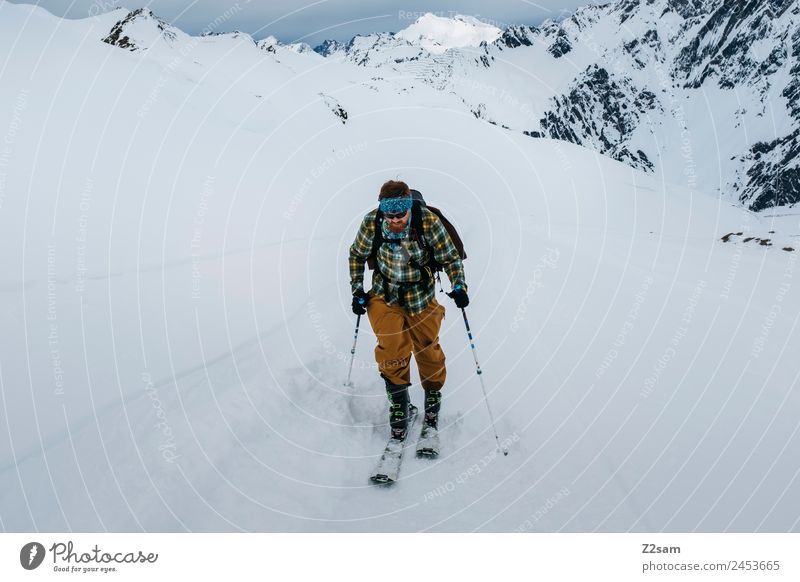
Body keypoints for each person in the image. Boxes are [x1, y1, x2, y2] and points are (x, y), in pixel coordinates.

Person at [348, 180, 469, 441]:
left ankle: (432, 403)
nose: (394, 221)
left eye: (400, 215)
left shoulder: (426, 221)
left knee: (428, 350)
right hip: (385, 294)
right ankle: (399, 407)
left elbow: (449, 257)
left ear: (408, 210)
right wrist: (357, 290)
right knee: (392, 349)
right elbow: (357, 255)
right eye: (389, 215)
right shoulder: (372, 222)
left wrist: (458, 285)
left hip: (421, 296)